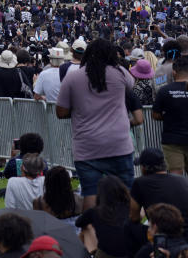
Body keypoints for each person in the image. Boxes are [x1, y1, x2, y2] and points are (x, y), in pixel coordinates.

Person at [56, 38, 135, 208]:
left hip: (87, 146)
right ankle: (127, 231)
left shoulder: (73, 77)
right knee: (126, 192)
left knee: (90, 193)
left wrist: (79, 108)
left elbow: (61, 112)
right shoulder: (120, 73)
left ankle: (90, 231)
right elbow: (131, 87)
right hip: (119, 143)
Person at [75, 175, 131, 258]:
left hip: (105, 253)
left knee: (86, 228)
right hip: (130, 252)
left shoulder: (95, 211)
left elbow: (78, 223)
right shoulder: (129, 207)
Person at [130, 147, 188, 223]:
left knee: (128, 226)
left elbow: (133, 217)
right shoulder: (182, 180)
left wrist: (142, 214)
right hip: (184, 231)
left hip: (160, 231)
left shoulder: (139, 183)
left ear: (144, 168)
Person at [151, 56, 188, 175]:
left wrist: (168, 116)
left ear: (174, 72)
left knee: (175, 174)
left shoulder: (164, 91)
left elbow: (155, 115)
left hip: (172, 140)